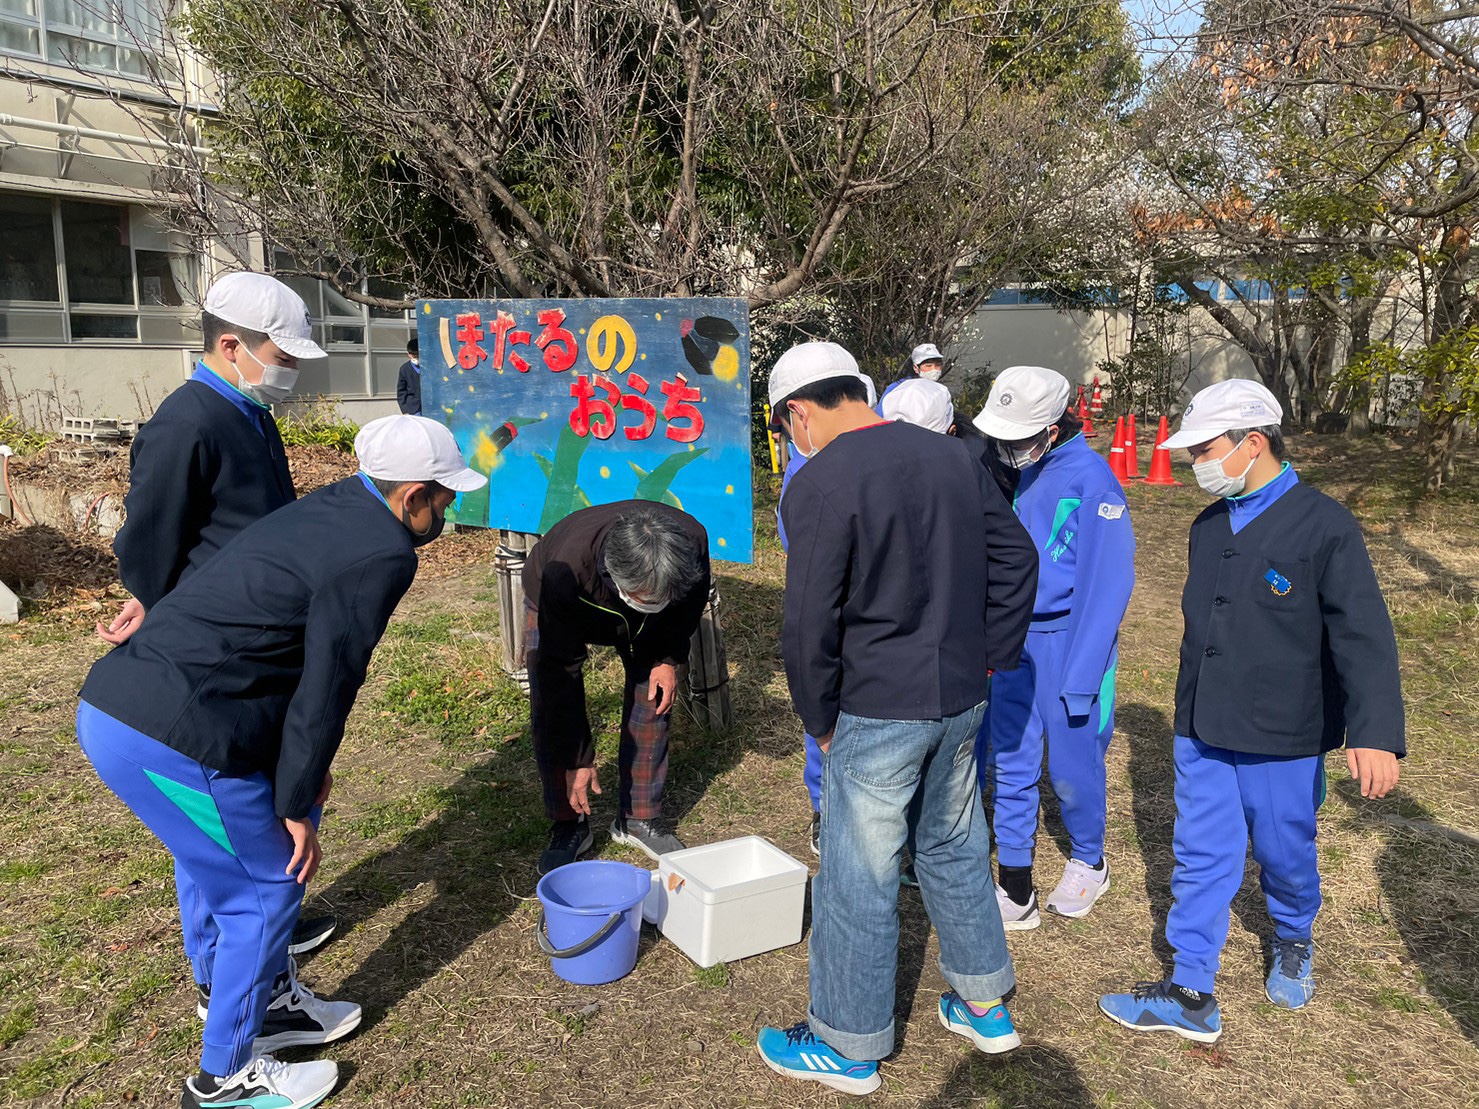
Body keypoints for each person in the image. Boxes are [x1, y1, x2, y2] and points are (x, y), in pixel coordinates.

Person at [76, 414, 486, 1108]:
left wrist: (297, 775)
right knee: (267, 884)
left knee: (215, 857)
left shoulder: (333, 504)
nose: (447, 510)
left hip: (124, 702)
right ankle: (224, 1077)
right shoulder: (384, 552)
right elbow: (329, 682)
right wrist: (293, 803)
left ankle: (258, 998)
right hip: (173, 732)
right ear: (412, 495)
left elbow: (286, 660)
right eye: (444, 497)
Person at [755, 341, 1038, 1095]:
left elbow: (807, 618)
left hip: (878, 704)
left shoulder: (820, 481)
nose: (792, 443)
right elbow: (1017, 560)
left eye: (787, 430)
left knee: (858, 871)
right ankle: (983, 1003)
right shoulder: (951, 458)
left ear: (799, 412)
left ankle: (846, 1045)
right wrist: (991, 654)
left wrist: (817, 717)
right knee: (950, 841)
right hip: (958, 694)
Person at [1099, 379, 1404, 1043]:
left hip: (1280, 732)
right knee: (1200, 851)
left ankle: (1293, 937)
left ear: (1252, 442)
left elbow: (1362, 634)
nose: (1193, 462)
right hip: (1203, 724)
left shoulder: (1323, 525)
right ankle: (1189, 986)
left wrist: (1373, 731)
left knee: (1281, 849)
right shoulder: (1207, 524)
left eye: (1205, 448)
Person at [98, 272, 341, 968]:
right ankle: (218, 954)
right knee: (214, 815)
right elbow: (149, 537)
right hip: (212, 646)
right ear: (231, 345)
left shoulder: (249, 410)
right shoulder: (187, 421)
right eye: (282, 355)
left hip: (257, 632)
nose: (288, 369)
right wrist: (153, 598)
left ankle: (269, 917)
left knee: (257, 796)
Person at [972, 366, 1135, 930]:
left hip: (1070, 642)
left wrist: (1084, 672)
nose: (1008, 449)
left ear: (1054, 427)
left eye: (1019, 438)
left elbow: (1107, 582)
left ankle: (1090, 859)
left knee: (1071, 763)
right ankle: (1016, 884)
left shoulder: (1093, 481)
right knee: (1010, 757)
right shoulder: (1014, 471)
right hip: (1016, 637)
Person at [523, 501, 711, 874]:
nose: (652, 606)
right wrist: (578, 758)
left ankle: (638, 818)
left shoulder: (691, 546)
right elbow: (559, 672)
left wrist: (668, 658)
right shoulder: (567, 569)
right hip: (558, 596)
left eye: (660, 600)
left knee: (654, 696)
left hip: (651, 613)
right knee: (551, 705)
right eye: (645, 600)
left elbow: (688, 607)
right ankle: (568, 822)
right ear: (616, 576)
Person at [877, 342, 946, 409]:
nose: (933, 369)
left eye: (938, 365)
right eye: (928, 366)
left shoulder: (941, 390)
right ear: (916, 368)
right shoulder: (897, 388)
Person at [396, 337, 422, 415]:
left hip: (430, 407)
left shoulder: (429, 367)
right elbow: (401, 391)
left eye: (417, 356)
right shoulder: (404, 369)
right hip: (413, 409)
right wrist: (404, 409)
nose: (415, 358)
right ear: (408, 354)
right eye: (413, 356)